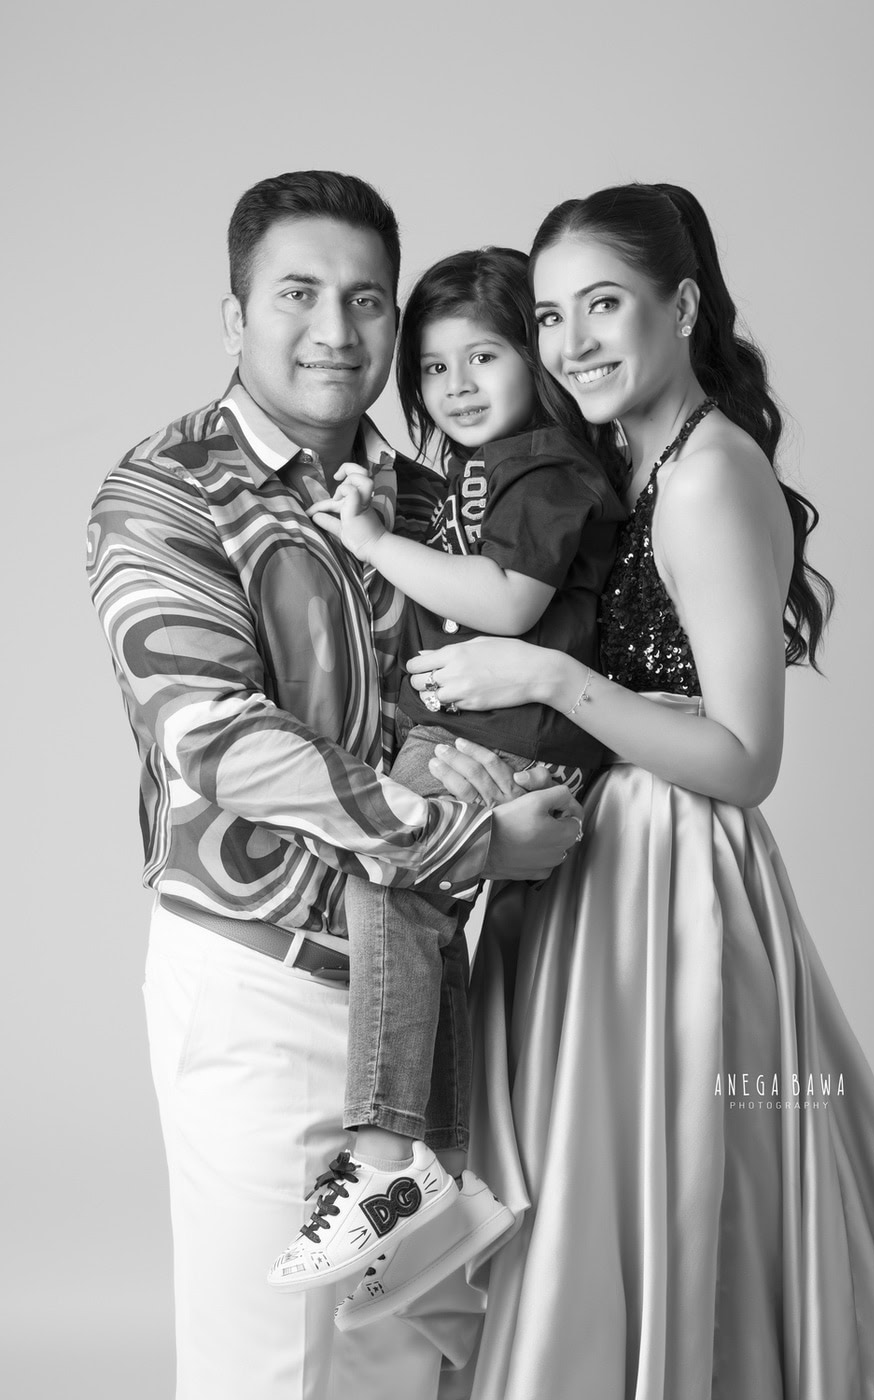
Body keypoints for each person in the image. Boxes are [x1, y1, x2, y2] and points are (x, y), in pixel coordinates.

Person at [404, 184, 874, 1398]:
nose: (572, 342)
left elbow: (747, 758)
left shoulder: (704, 473)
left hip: (671, 872)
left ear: (680, 304)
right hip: (599, 860)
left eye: (604, 305)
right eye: (547, 316)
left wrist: (547, 672)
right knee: (593, 1175)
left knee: (678, 1174)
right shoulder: (622, 463)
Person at [85, 169, 582, 1400]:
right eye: (298, 294)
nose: (336, 331)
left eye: (367, 300)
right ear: (234, 313)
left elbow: (487, 689)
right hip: (263, 982)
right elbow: (218, 735)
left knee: (416, 1360)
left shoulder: (427, 497)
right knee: (273, 1371)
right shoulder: (163, 491)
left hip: (430, 999)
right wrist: (464, 837)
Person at [265, 247, 623, 1299]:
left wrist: (372, 541)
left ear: (538, 356)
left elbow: (509, 601)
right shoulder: (474, 467)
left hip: (515, 744)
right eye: (429, 368)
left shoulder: (547, 465)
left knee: (389, 877)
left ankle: (384, 1159)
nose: (455, 386)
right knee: (414, 912)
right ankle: (441, 1171)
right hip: (475, 736)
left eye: (484, 356)